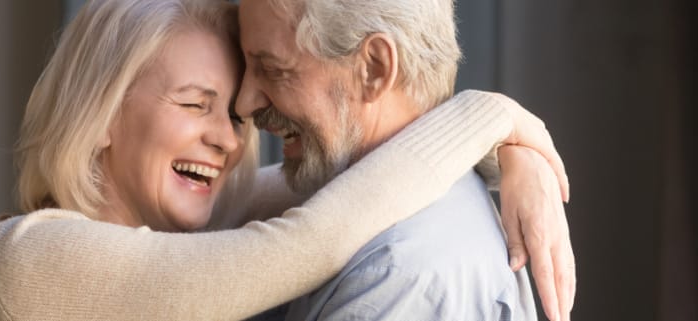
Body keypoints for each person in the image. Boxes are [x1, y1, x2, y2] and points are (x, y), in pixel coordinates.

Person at [0, 0, 569, 320]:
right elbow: (311, 238)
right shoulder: (28, 262)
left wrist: (513, 155)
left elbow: (357, 184)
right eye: (195, 104)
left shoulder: (205, 220)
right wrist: (495, 118)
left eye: (234, 112)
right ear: (105, 112)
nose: (231, 134)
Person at [235, 1, 574, 320]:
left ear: (374, 69)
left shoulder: (393, 278)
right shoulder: (357, 207)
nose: (243, 104)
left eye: (272, 70)